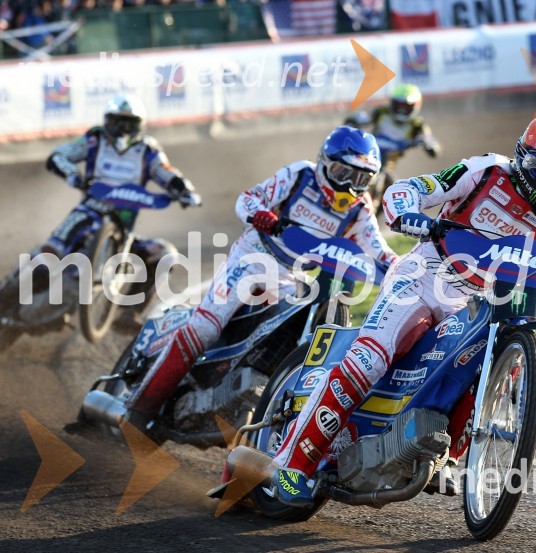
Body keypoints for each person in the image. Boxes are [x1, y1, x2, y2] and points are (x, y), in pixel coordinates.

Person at [271, 113, 536, 506]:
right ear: (527, 158)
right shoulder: (484, 171)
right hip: (424, 276)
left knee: (483, 367)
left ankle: (442, 456)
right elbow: (411, 190)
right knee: (370, 358)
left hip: (473, 304)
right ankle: (293, 463)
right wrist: (412, 216)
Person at [123, 126, 398, 430]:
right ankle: (138, 411)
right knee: (204, 327)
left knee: (285, 337)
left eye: (361, 178)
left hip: (291, 278)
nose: (350, 185)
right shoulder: (299, 175)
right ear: (324, 162)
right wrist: (262, 217)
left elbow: (379, 250)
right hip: (253, 256)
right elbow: (248, 199)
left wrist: (402, 268)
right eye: (343, 173)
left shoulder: (360, 211)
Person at [41, 93, 200, 316]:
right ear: (108, 121)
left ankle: (129, 315)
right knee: (52, 250)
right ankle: (20, 285)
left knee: (165, 255)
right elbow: (59, 156)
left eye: (129, 123)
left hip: (124, 227)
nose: (123, 129)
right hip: (89, 212)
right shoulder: (95, 139)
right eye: (118, 122)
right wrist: (74, 176)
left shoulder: (147, 149)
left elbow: (165, 172)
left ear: (139, 125)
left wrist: (185, 191)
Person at [345, 83, 441, 211]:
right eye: (398, 105)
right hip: (367, 153)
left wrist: (429, 145)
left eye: (405, 107)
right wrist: (357, 119)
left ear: (415, 106)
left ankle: (381, 212)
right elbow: (363, 117)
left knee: (396, 187)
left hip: (388, 163)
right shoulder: (382, 112)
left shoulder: (417, 125)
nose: (401, 110)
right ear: (392, 104)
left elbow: (430, 140)